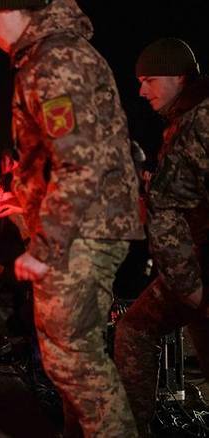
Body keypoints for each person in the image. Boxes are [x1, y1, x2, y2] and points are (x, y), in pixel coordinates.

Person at [0, 1, 144, 436]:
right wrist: (26, 201)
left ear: (10, 8)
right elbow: (64, 152)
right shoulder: (53, 54)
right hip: (87, 224)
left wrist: (46, 245)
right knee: (75, 357)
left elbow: (82, 162)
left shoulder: (54, 59)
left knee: (73, 362)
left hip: (83, 231)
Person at [114, 38, 209, 437]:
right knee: (134, 330)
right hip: (193, 265)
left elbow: (169, 212)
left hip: (197, 272)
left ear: (179, 78)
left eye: (150, 79)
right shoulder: (184, 122)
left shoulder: (197, 122)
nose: (141, 90)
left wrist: (192, 290)